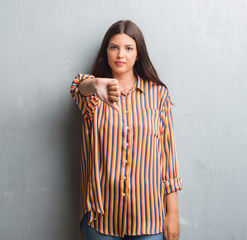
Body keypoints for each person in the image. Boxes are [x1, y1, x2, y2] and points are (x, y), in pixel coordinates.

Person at [70, 20, 183, 240]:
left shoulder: (158, 94)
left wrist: (173, 213)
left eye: (128, 48)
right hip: (101, 218)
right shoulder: (93, 94)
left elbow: (167, 157)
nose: (120, 54)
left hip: (149, 218)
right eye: (114, 47)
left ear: (138, 54)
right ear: (106, 51)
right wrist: (95, 85)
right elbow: (77, 87)